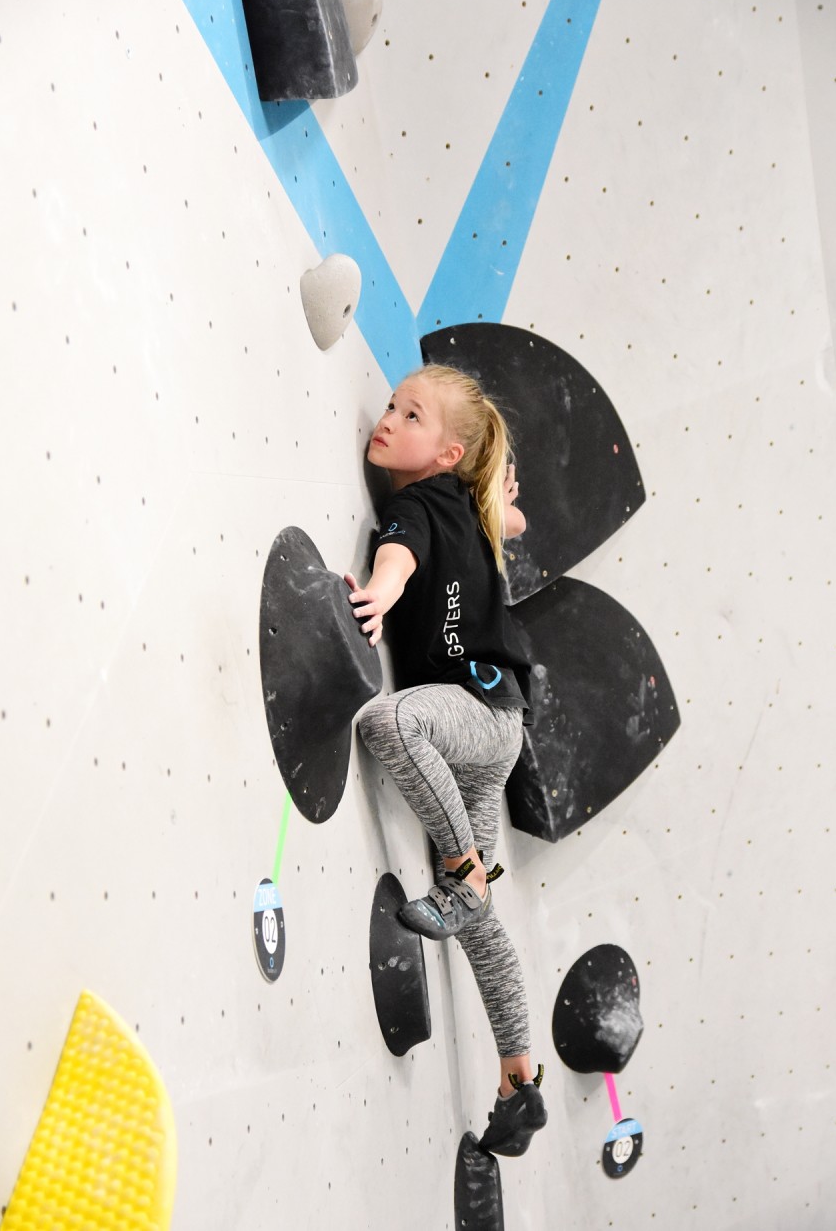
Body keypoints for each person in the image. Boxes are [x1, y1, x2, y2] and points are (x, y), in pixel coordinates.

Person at [345, 363, 547, 1157]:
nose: (388, 419)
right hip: (497, 726)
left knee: (390, 723)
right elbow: (514, 515)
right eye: (391, 405)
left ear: (445, 453)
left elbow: (397, 560)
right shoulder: (468, 499)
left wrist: (378, 597)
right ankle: (518, 1078)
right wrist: (504, 493)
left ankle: (459, 871)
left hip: (474, 716)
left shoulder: (422, 503)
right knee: (482, 925)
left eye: (410, 414)